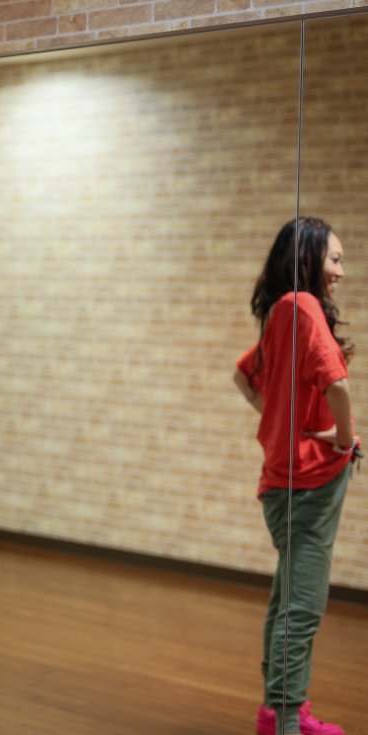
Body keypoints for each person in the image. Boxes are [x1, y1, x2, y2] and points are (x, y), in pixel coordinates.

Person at [234, 216, 356, 735]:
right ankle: (285, 722)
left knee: (286, 600)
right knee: (302, 609)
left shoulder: (282, 310)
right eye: (335, 259)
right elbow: (338, 386)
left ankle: (277, 712)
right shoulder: (303, 306)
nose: (341, 272)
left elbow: (243, 375)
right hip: (308, 484)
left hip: (283, 482)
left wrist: (282, 423)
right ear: (307, 258)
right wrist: (345, 441)